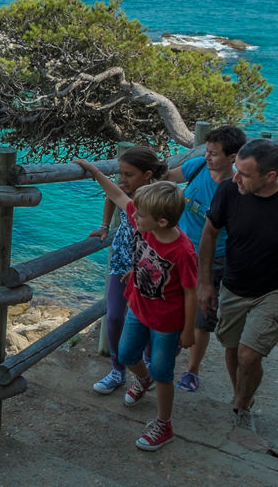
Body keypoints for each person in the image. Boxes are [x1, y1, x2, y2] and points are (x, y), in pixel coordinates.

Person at [198, 138, 278, 432]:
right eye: (236, 170)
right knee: (231, 348)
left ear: (269, 177)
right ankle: (242, 396)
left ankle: (241, 405)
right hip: (233, 284)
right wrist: (206, 283)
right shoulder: (229, 190)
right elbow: (210, 233)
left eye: (244, 174)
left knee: (248, 354)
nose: (236, 177)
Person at [78, 163, 197, 451]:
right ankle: (141, 381)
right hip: (138, 307)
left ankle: (163, 424)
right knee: (128, 354)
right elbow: (119, 196)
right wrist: (94, 171)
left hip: (167, 322)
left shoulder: (183, 252)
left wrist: (189, 330)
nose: (134, 218)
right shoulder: (146, 221)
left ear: (163, 222)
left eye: (140, 216)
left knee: (163, 373)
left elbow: (190, 292)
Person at [165, 124, 247, 393]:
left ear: (233, 157)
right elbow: (166, 177)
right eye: (207, 151)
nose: (208, 157)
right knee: (170, 304)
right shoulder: (198, 166)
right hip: (178, 251)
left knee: (203, 317)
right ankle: (168, 349)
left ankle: (192, 370)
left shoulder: (236, 189)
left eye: (214, 153)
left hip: (212, 260)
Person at [87, 147, 170, 396]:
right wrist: (104, 226)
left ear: (147, 175)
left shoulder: (158, 199)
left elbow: (164, 238)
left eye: (128, 174)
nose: (123, 179)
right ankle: (117, 369)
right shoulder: (126, 190)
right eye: (121, 173)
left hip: (146, 267)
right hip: (122, 259)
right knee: (113, 316)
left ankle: (145, 372)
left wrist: (141, 268)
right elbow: (112, 195)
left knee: (143, 320)